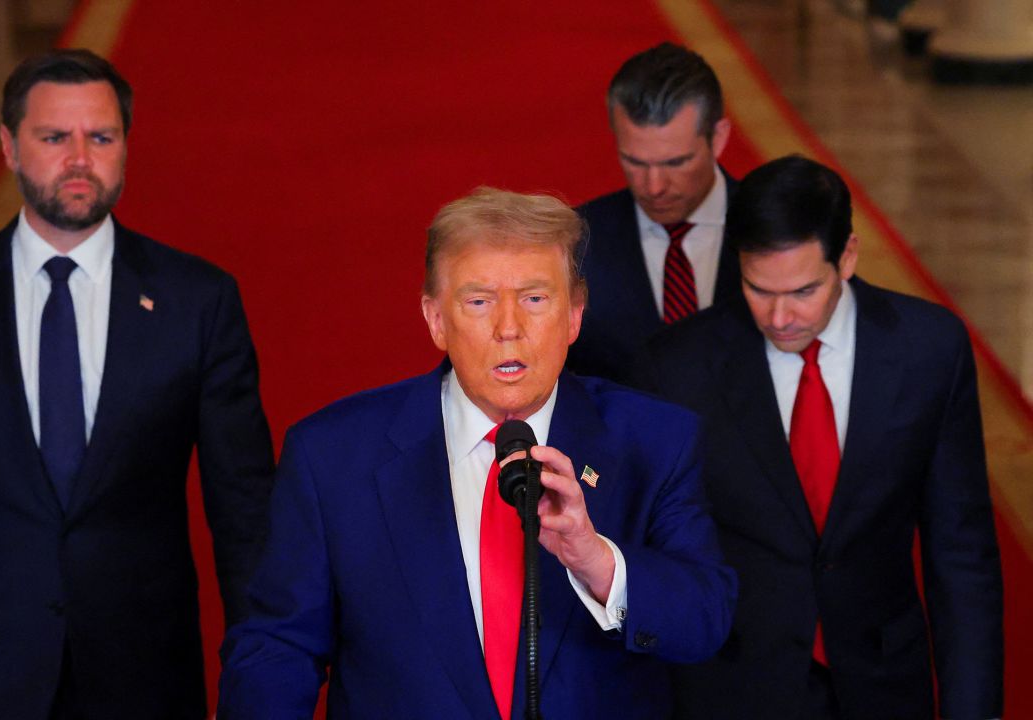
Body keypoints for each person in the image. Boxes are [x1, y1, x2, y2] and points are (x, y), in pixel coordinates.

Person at [0, 49, 276, 720]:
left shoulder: (199, 301)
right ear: (10, 147)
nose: (79, 158)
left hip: (146, 679)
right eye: (54, 138)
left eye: (100, 138)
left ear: (125, 146)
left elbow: (245, 512)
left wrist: (262, 684)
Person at [217, 187, 736, 719]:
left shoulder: (655, 440)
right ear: (436, 319)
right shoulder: (332, 456)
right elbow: (278, 648)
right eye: (479, 301)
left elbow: (703, 624)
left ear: (575, 315)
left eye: (535, 299)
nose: (508, 328)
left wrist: (597, 561)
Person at [634, 156, 1003, 719]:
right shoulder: (679, 368)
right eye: (758, 290)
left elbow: (962, 556)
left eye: (804, 290)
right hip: (732, 688)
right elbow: (654, 553)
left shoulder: (930, 350)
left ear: (847, 257)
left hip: (884, 685)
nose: (780, 317)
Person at [568, 42, 741, 382]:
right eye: (634, 162)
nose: (654, 186)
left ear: (718, 138)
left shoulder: (779, 229)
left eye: (676, 162)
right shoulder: (576, 242)